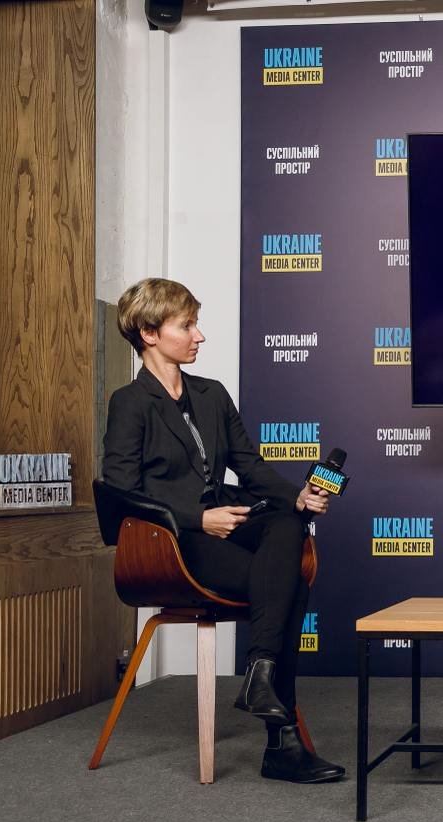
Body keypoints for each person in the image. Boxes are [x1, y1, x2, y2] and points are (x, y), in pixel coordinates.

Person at [102, 277, 345, 784]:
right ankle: (281, 743)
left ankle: (259, 674)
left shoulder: (211, 394)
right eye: (186, 325)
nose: (199, 335)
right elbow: (121, 491)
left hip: (226, 521)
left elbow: (249, 466)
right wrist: (197, 519)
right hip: (173, 541)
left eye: (196, 324)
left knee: (288, 520)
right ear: (150, 333)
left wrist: (298, 497)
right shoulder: (131, 402)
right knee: (291, 586)